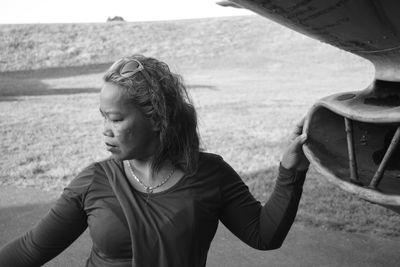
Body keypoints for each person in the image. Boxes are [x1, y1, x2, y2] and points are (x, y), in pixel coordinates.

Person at [0, 54, 309, 267]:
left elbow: (264, 235)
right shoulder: (94, 180)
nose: (105, 130)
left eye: (117, 119)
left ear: (158, 118)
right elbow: (29, 251)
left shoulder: (211, 174)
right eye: (103, 118)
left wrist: (290, 172)